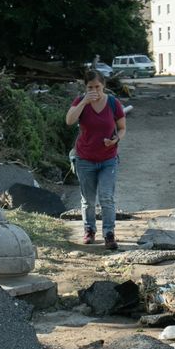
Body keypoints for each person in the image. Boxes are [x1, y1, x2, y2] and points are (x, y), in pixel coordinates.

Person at [66, 69, 126, 249]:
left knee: (106, 197)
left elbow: (122, 128)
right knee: (88, 200)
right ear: (85, 88)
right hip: (85, 159)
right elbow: (69, 121)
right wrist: (84, 101)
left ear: (104, 86)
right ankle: (89, 230)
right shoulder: (80, 102)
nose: (94, 90)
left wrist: (116, 139)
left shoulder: (114, 103)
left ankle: (109, 234)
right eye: (90, 87)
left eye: (97, 87)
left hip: (108, 159)